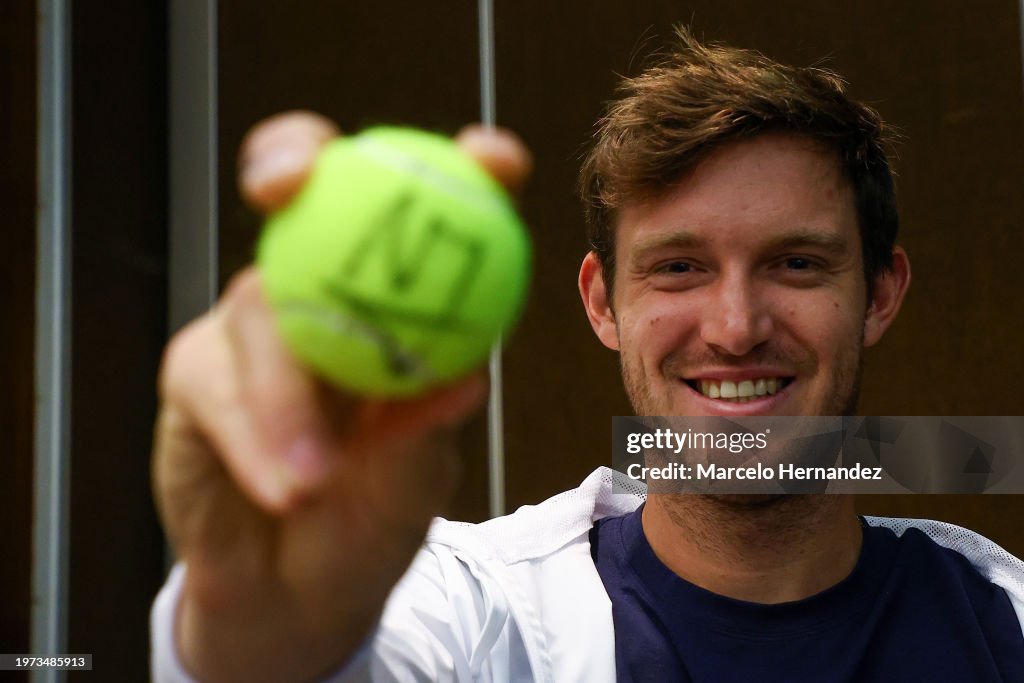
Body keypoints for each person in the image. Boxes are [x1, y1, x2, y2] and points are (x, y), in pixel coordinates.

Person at [151, 27, 1024, 682]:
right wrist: (268, 640)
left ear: (879, 292)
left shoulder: (1001, 617)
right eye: (678, 267)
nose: (734, 325)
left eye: (795, 263)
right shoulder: (467, 612)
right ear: (603, 303)